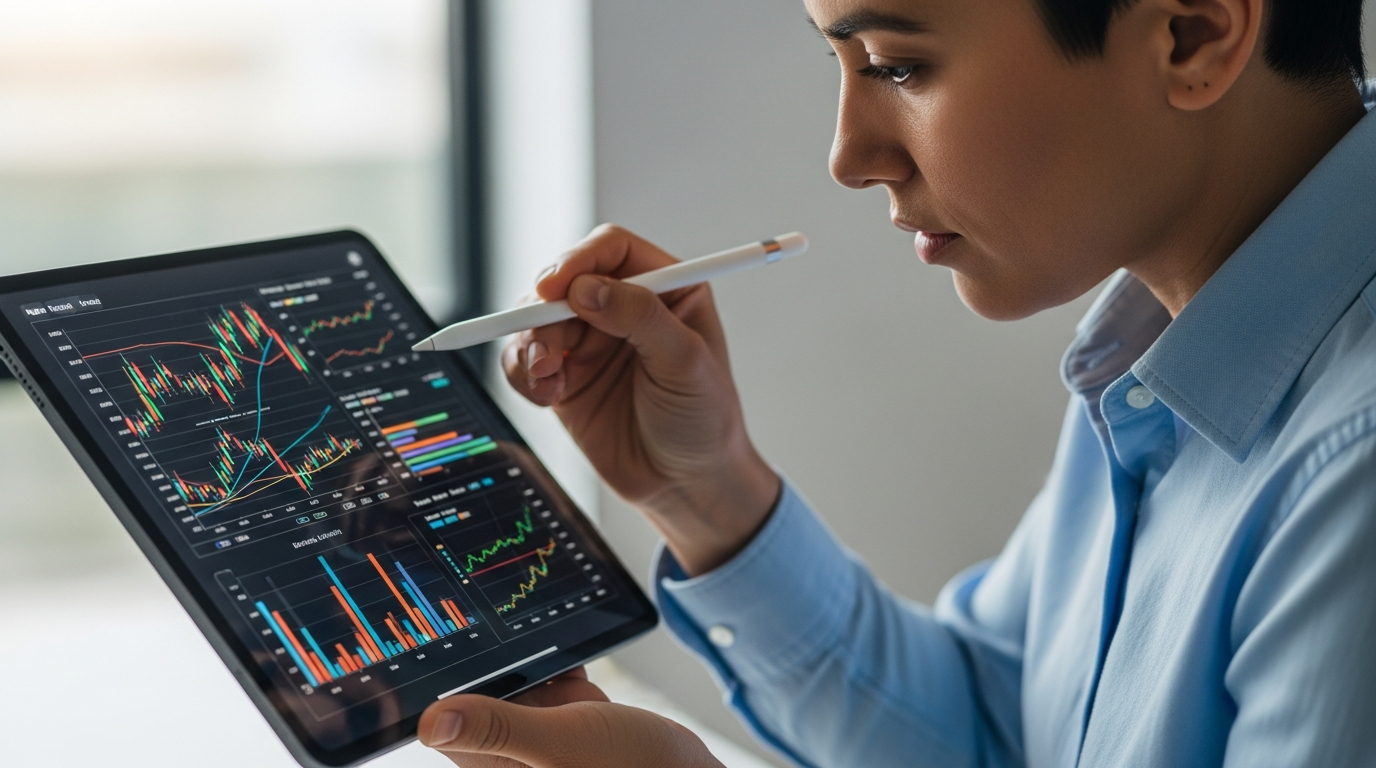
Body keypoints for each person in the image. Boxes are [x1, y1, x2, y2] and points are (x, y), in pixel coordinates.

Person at [419, 0, 1376, 765]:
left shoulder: (1354, 468)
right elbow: (998, 730)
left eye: (896, 64)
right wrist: (704, 494)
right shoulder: (1146, 364)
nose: (848, 159)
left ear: (1191, 36)